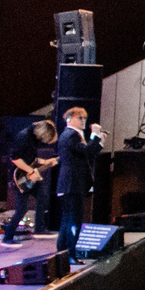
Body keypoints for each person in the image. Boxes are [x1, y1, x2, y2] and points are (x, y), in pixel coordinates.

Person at [0, 117, 55, 243]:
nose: (43, 141)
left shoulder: (33, 137)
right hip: (20, 177)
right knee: (22, 208)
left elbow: (31, 158)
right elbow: (15, 159)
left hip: (28, 174)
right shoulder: (23, 136)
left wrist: (46, 162)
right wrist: (31, 171)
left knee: (42, 196)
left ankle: (39, 229)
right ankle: (8, 236)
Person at [55, 104, 100, 251]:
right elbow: (87, 151)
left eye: (85, 118)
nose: (83, 121)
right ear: (69, 119)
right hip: (72, 183)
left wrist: (98, 141)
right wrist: (95, 135)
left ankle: (63, 250)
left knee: (68, 218)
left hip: (70, 183)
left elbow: (87, 153)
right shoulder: (71, 135)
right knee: (74, 219)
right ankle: (71, 252)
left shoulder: (71, 135)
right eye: (80, 118)